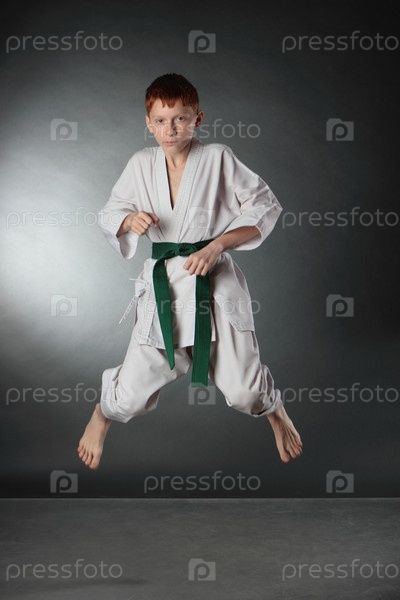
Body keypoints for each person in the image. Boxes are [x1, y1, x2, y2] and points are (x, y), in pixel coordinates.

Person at [78, 73, 302, 470]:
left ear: (197, 118)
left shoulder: (217, 158)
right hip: (165, 286)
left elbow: (264, 207)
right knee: (128, 398)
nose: (170, 129)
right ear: (148, 123)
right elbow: (109, 212)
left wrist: (217, 246)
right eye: (160, 121)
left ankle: (275, 410)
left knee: (246, 393)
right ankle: (101, 414)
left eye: (180, 119)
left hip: (215, 284)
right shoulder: (140, 164)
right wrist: (128, 220)